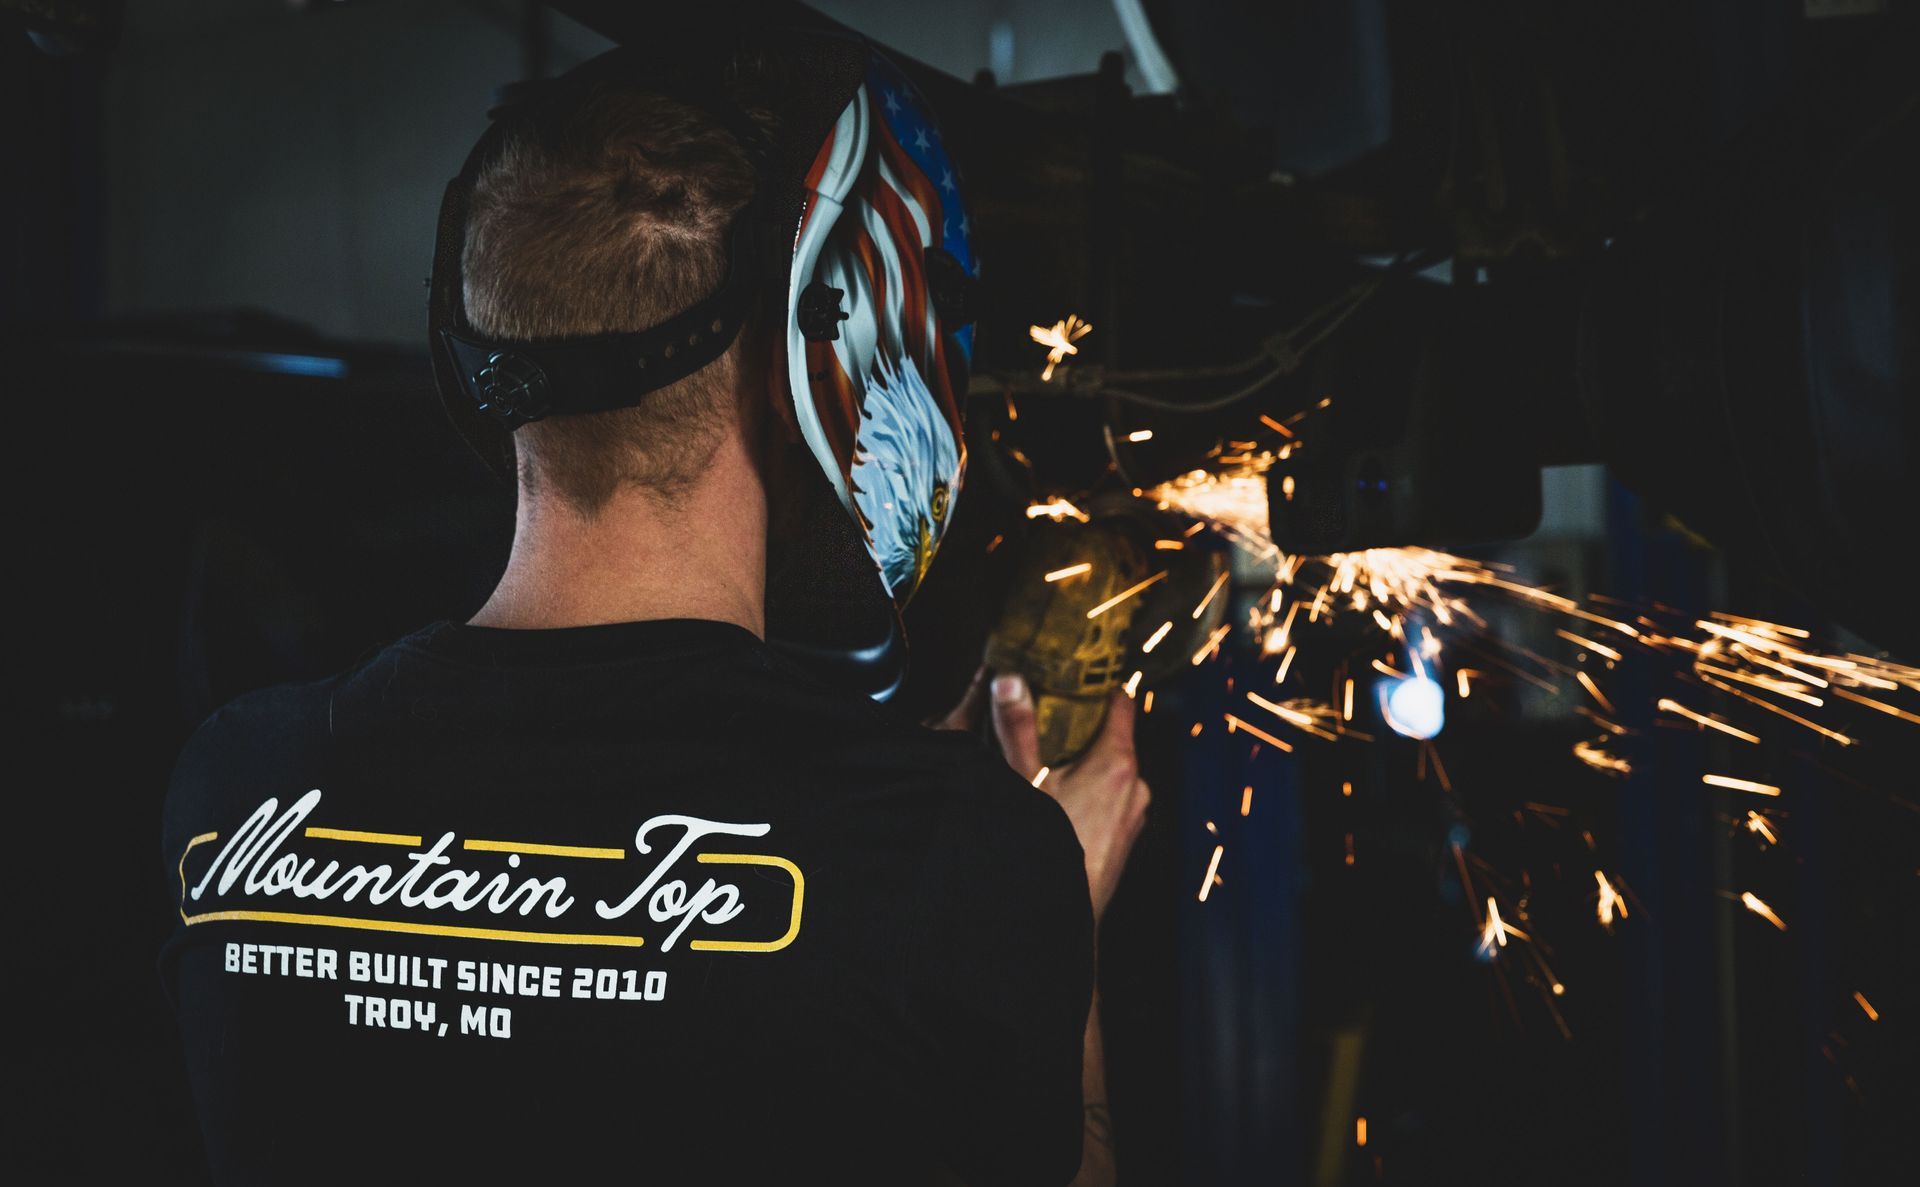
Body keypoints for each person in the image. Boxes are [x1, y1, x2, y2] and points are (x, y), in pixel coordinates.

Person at [161, 61, 1149, 1185]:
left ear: (472, 350)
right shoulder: (966, 856)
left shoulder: (240, 788)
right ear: (817, 366)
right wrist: (1043, 905)